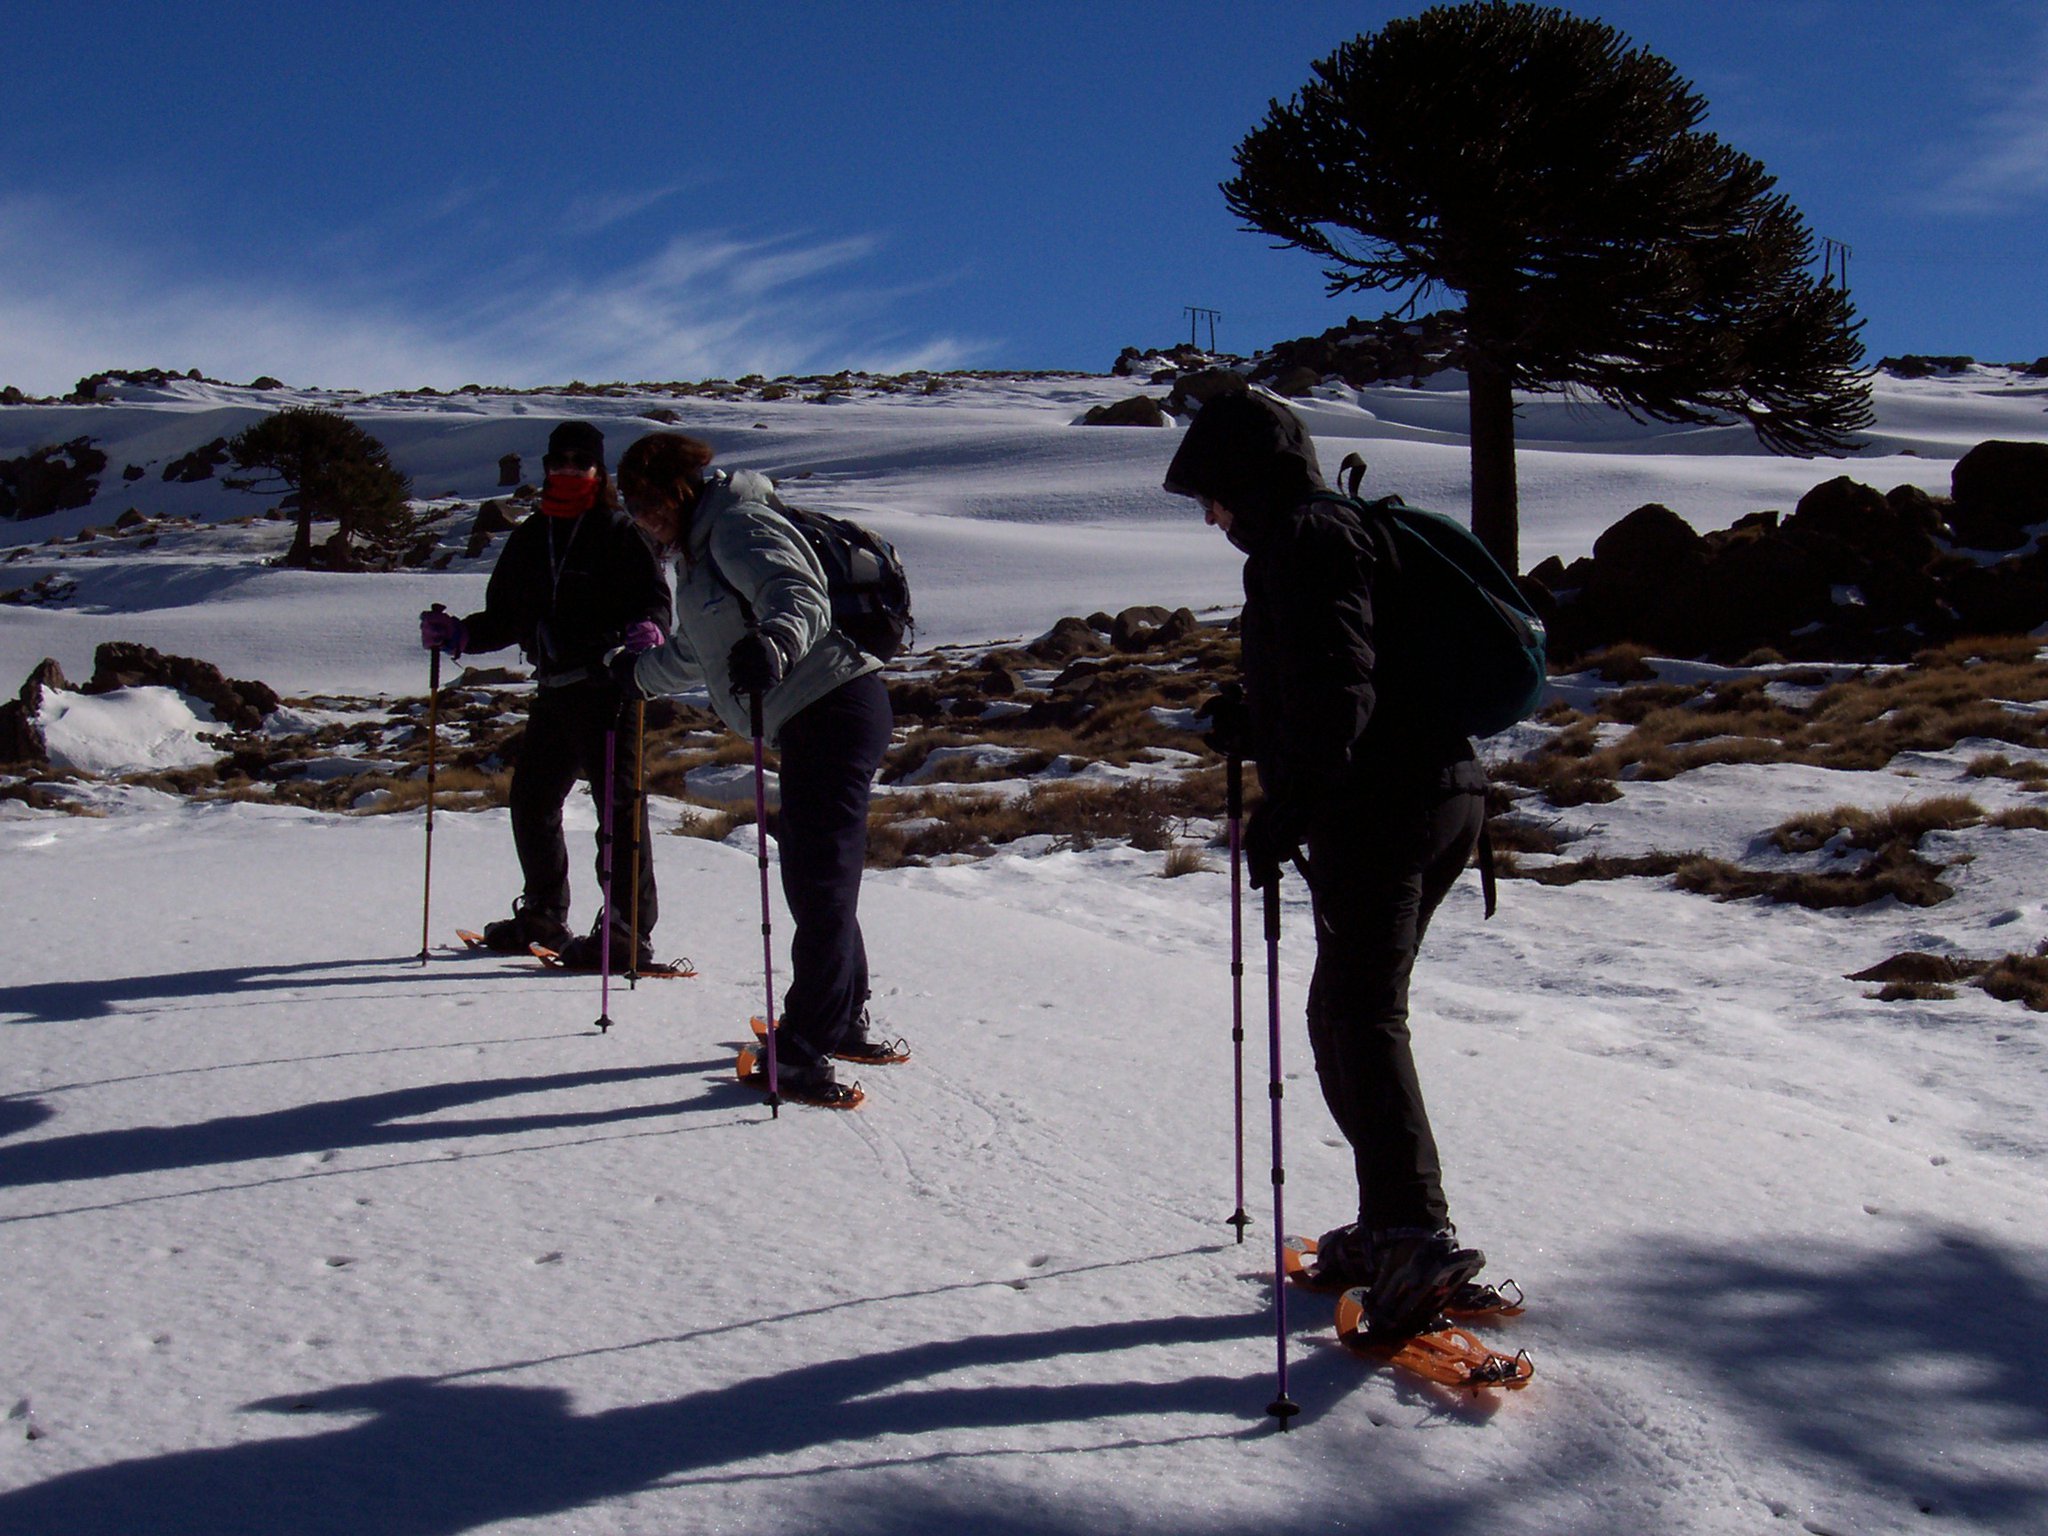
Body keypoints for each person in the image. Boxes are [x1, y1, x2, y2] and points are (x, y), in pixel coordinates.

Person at [1164, 390, 1492, 1340]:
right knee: (1344, 1011)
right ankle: (1389, 1226)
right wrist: (1256, 720)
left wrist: (1291, 801)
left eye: (1213, 498)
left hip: (1388, 803)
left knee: (1359, 1014)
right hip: (1439, 792)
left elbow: (1344, 689)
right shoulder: (1337, 532)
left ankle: (1412, 1236)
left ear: (1245, 481)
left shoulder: (1305, 541)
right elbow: (1343, 674)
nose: (1212, 518)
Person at [609, 431, 901, 1109]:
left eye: (650, 503)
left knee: (818, 877)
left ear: (680, 490)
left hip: (835, 706)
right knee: (816, 869)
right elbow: (693, 651)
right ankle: (845, 1017)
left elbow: (797, 594)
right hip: (811, 717)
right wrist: (634, 677)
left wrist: (774, 644)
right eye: (634, 507)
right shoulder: (700, 552)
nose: (645, 518)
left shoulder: (737, 524)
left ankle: (805, 1048)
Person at [419, 420, 670, 969]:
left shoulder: (619, 531)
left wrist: (649, 628)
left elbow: (655, 602)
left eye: (580, 462)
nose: (568, 470)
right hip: (554, 691)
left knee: (618, 811)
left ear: (597, 470)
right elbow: (504, 618)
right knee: (532, 801)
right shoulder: (532, 537)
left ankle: (629, 932)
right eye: (559, 461)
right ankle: (544, 915)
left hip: (609, 690)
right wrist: (460, 634)